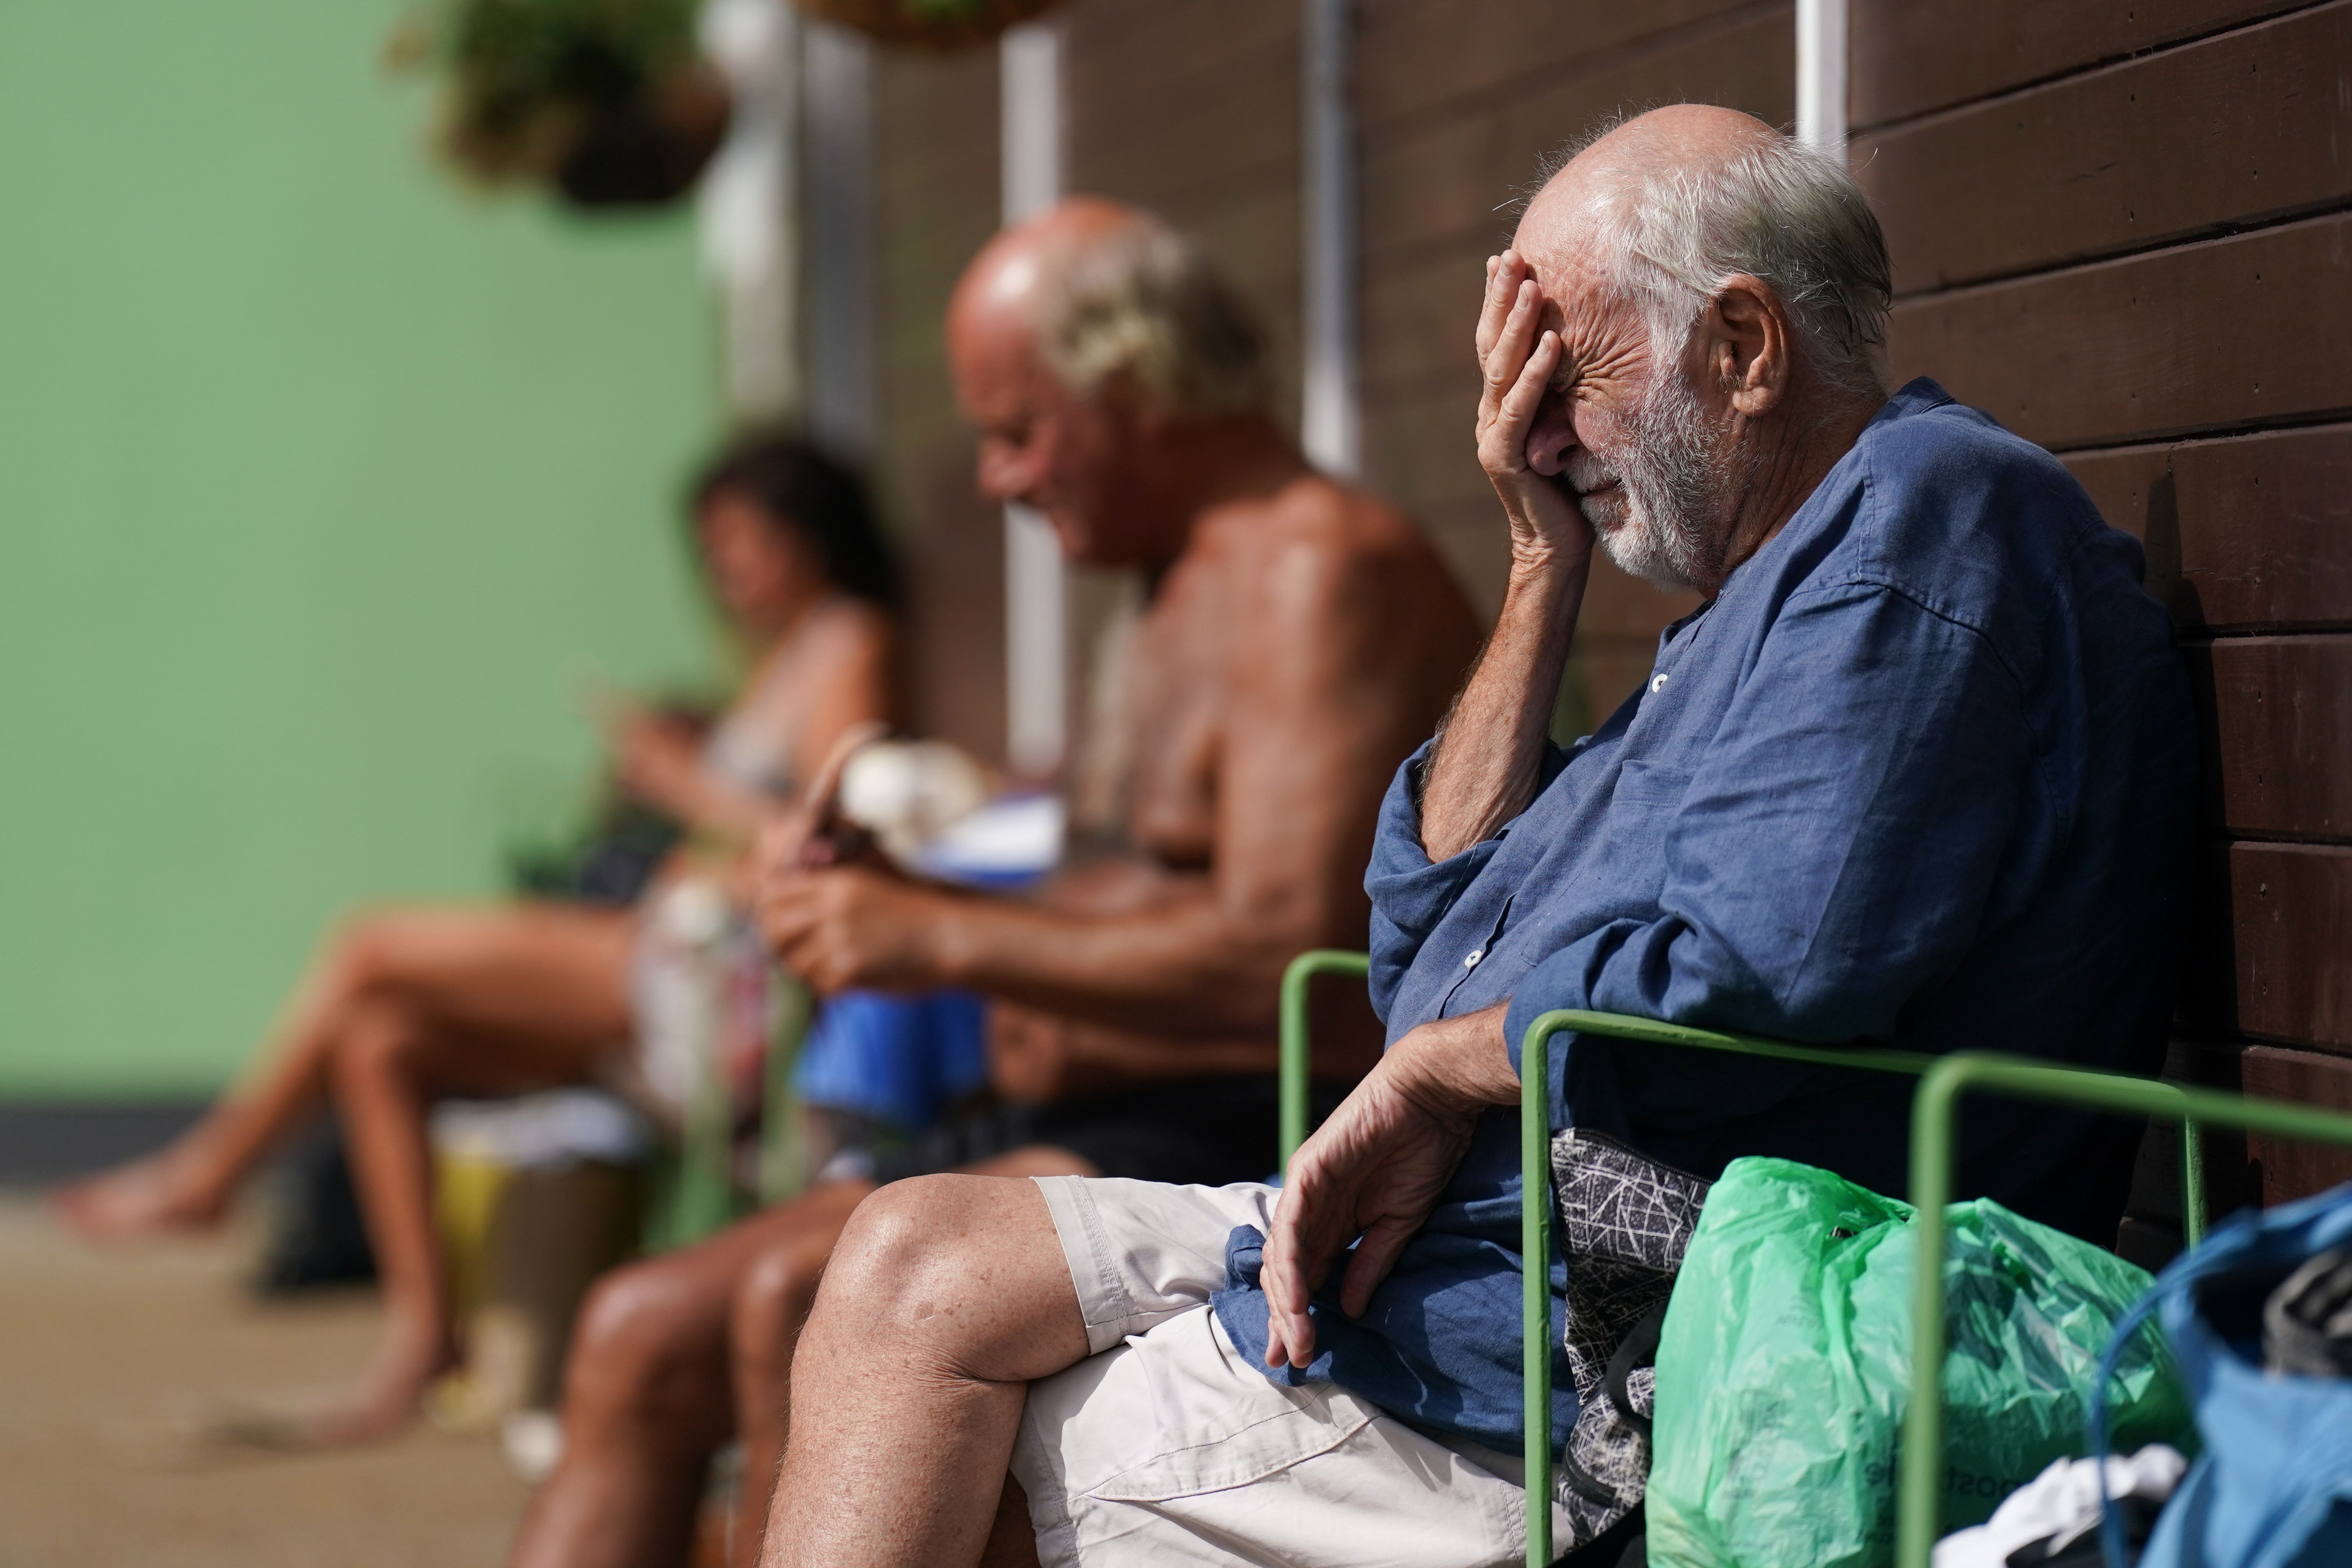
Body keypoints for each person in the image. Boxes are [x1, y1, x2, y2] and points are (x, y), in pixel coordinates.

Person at [746, 105, 2200, 1568]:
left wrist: (1445, 1068)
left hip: (1605, 1336)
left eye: (1567, 372)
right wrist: (1533, 565)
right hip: (1461, 1257)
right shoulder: (1749, 600)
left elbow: (1761, 974)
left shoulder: (1917, 527)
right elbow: (1424, 932)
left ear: (1746, 350)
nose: (1534, 427)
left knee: (952, 1479)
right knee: (903, 1261)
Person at [504, 198, 1484, 1568]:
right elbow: (1136, 882)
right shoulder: (1178, 577)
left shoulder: (1319, 571)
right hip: (1094, 1117)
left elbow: (1295, 969)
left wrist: (936, 935)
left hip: (1246, 1142)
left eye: (1016, 430)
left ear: (1134, 386)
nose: (993, 480)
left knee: (790, 1298)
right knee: (632, 1333)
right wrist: (905, 887)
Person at [51, 434, 897, 1443]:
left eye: (743, 543)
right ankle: (421, 1343)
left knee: (368, 945)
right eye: (712, 550)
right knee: (380, 1040)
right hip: (669, 957)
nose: (726, 572)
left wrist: (685, 784)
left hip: (707, 982)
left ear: (810, 534)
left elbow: (830, 838)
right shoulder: (788, 653)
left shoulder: (854, 640)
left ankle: (213, 1175)